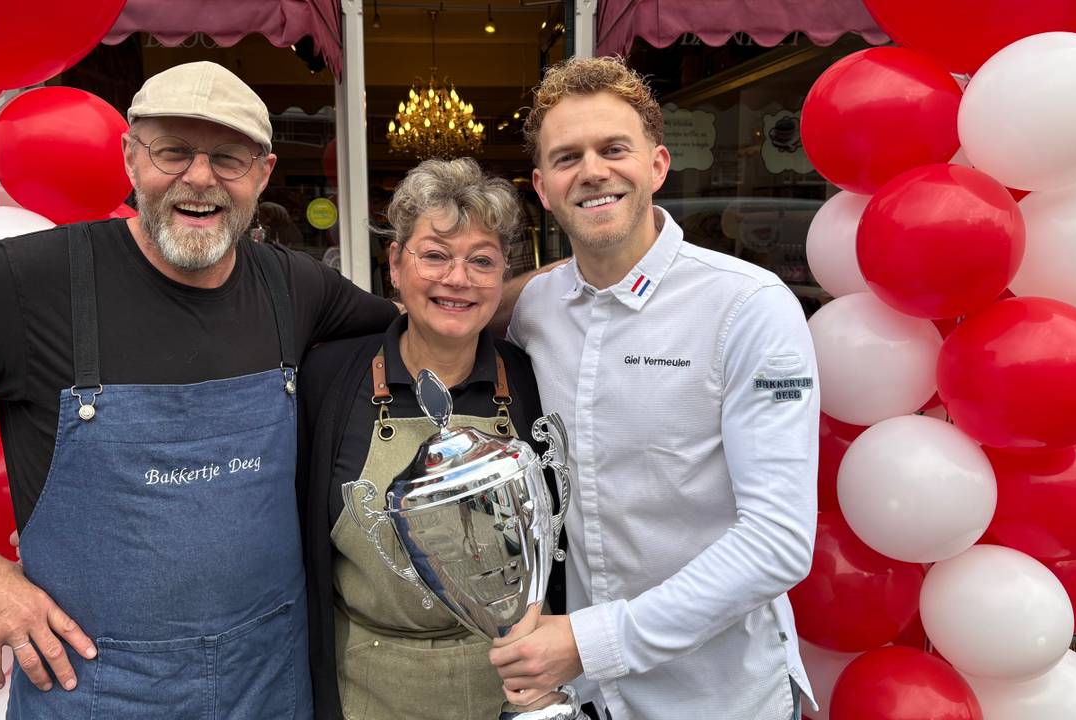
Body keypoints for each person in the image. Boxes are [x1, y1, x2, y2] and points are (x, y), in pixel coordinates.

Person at [0, 61, 396, 718]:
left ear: (262, 172)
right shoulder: (28, 284)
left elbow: (424, 329)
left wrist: (535, 299)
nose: (200, 178)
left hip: (270, 686)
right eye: (173, 150)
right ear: (130, 157)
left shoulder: (295, 287)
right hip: (96, 694)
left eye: (228, 158)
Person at [488, 56, 820, 720]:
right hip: (586, 699)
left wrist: (590, 641)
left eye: (614, 149)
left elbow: (778, 541)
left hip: (720, 695)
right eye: (567, 157)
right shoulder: (534, 310)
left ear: (658, 165)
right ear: (543, 188)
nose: (593, 170)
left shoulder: (747, 306)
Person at [298, 157, 562, 719]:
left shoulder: (532, 379)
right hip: (368, 689)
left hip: (508, 686)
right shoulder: (328, 380)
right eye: (435, 255)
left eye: (481, 261)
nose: (457, 279)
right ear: (395, 264)